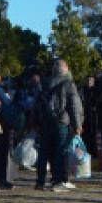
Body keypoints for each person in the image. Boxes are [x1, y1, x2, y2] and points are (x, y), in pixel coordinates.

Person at [39, 59, 84, 193]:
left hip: (46, 121)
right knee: (60, 151)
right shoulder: (68, 84)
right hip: (61, 121)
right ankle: (58, 181)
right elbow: (74, 106)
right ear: (66, 69)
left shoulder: (45, 83)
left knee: (45, 151)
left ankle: (40, 181)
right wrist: (77, 125)